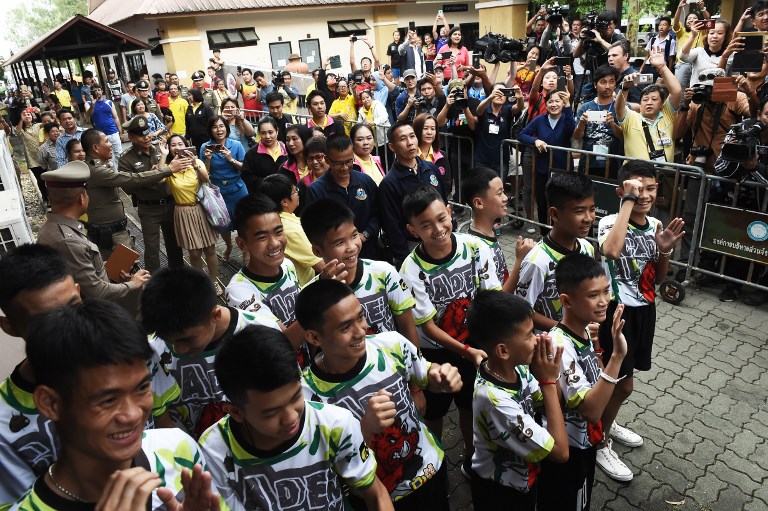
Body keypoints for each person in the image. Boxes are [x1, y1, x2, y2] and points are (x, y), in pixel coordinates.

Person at [17, 300, 218, 510]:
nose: (132, 414)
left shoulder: (178, 449)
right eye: (108, 400)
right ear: (50, 403)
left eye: (142, 388)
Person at [296, 280, 460, 507]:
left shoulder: (391, 345)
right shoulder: (307, 397)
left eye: (360, 317)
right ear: (314, 337)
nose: (360, 331)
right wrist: (364, 429)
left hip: (429, 469)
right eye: (345, 327)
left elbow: (425, 374)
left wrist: (441, 377)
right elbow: (326, 467)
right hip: (375, 498)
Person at [199, 325, 393, 510]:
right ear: (236, 412)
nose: (291, 417)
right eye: (271, 412)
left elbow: (375, 494)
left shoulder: (335, 424)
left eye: (295, 397)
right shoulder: (214, 451)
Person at [399, 185, 502, 477]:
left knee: (470, 404)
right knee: (435, 411)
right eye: (425, 225)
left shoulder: (474, 247)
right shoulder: (411, 269)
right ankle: (436, 461)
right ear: (412, 230)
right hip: (438, 352)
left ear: (450, 211)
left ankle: (472, 457)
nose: (438, 229)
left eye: (441, 218)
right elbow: (428, 326)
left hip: (476, 344)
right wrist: (466, 351)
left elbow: (491, 297)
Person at [594, 162, 685, 482]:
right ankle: (599, 442)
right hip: (615, 313)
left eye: (650, 188)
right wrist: (627, 203)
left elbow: (658, 279)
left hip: (644, 312)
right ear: (622, 193)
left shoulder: (657, 226)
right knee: (622, 384)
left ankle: (608, 421)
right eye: (636, 189)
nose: (644, 195)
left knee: (622, 382)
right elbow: (611, 250)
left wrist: (664, 252)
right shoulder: (609, 222)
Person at [533, 254, 628, 510]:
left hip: (584, 443)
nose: (603, 301)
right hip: (568, 449)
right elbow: (592, 410)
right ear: (566, 301)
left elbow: (596, 379)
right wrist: (617, 357)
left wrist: (598, 347)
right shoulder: (558, 345)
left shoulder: (585, 329)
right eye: (593, 295)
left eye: (606, 291)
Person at [142, 266, 280, 438]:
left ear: (215, 315)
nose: (179, 349)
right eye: (169, 340)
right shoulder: (151, 351)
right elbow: (160, 412)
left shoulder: (261, 335)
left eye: (187, 339)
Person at [465, 291, 568, 509]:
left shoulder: (516, 368)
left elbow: (551, 407)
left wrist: (547, 376)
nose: (539, 338)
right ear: (503, 350)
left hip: (523, 478)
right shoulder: (496, 402)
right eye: (530, 335)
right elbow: (561, 453)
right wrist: (549, 382)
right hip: (500, 492)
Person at [0, 245, 82, 508]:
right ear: (9, 327)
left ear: (78, 292)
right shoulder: (3, 427)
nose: (70, 327)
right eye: (46, 321)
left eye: (74, 307)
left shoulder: (126, 363)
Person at [301, 198, 419, 344]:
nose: (352, 246)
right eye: (339, 242)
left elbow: (407, 327)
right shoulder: (310, 296)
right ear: (317, 251)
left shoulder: (384, 273)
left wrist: (416, 364)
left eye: (354, 235)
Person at [514, 172, 595, 332]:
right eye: (579, 211)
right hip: (546, 348)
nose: (588, 218)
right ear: (555, 214)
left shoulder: (587, 248)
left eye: (592, 209)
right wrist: (567, 329)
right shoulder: (537, 261)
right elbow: (522, 310)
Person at [226, 194, 307, 353]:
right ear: (242, 244)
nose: (274, 243)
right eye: (262, 237)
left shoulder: (287, 265)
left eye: (278, 232)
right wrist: (317, 307)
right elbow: (282, 345)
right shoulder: (239, 291)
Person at [81, 127, 169, 261]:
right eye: (106, 141)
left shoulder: (100, 166)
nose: (111, 144)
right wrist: (168, 170)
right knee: (122, 270)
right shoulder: (95, 170)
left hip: (115, 231)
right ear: (96, 148)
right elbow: (132, 179)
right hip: (110, 234)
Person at [118, 116, 185, 273]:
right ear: (132, 138)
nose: (147, 137)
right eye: (142, 135)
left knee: (175, 245)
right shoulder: (126, 159)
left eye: (148, 133)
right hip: (149, 209)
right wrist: (153, 174)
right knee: (152, 249)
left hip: (170, 204)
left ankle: (179, 278)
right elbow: (128, 188)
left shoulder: (161, 150)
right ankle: (154, 283)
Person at [378, 122, 446, 266]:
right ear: (392, 147)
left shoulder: (431, 168)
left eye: (412, 136)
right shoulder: (389, 183)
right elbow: (392, 226)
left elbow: (443, 202)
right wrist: (404, 259)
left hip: (441, 237)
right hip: (413, 246)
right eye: (403, 139)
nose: (410, 143)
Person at [306, 135, 381, 259]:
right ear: (327, 160)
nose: (345, 168)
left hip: (369, 252)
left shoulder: (365, 182)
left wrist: (365, 235)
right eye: (338, 163)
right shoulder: (316, 191)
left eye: (349, 161)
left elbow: (378, 213)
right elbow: (315, 228)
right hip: (337, 257)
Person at [462, 167, 534, 292]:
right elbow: (498, 299)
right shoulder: (478, 248)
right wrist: (520, 260)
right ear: (479, 203)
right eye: (499, 193)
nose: (506, 198)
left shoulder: (487, 233)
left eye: (504, 192)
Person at [518, 91, 577, 231]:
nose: (554, 104)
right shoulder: (540, 119)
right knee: (542, 200)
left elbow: (570, 129)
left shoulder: (566, 118)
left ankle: (562, 230)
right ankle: (544, 231)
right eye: (550, 101)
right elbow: (521, 134)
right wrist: (535, 140)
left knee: (562, 201)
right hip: (543, 168)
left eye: (558, 101)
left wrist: (568, 105)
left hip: (562, 169)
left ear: (563, 103)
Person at [166, 134, 220, 284]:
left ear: (186, 145)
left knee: (210, 249)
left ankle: (214, 281)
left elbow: (206, 179)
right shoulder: (169, 168)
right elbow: (158, 179)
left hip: (202, 209)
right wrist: (163, 158)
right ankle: (201, 282)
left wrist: (195, 164)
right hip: (183, 212)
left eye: (180, 144)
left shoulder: (196, 162)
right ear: (169, 148)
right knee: (195, 253)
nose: (177, 148)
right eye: (173, 145)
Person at [616, 48, 683, 165]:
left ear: (662, 103)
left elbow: (676, 91)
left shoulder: (667, 114)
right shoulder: (631, 118)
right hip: (636, 178)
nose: (649, 102)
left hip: (664, 177)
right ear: (640, 103)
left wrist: (662, 67)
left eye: (654, 99)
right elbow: (619, 108)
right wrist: (625, 88)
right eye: (645, 99)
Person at [257, 173, 324, 286]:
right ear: (284, 202)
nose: (297, 193)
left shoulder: (271, 219)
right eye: (295, 191)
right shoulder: (291, 230)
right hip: (301, 287)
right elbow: (321, 265)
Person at [201, 115, 248, 261]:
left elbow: (245, 167)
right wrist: (208, 159)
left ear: (226, 128)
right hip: (218, 192)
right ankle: (228, 246)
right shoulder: (205, 147)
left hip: (238, 189)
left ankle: (246, 252)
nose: (219, 130)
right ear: (210, 130)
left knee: (243, 221)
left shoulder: (236, 145)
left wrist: (231, 159)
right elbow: (204, 173)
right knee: (223, 224)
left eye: (221, 126)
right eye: (214, 127)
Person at [573, 65, 623, 178]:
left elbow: (623, 136)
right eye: (603, 82)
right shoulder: (585, 107)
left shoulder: (620, 107)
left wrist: (612, 125)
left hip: (613, 161)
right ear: (595, 85)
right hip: (588, 161)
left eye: (611, 82)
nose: (607, 86)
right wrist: (581, 124)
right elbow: (577, 136)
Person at [475, 84, 521, 178]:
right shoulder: (485, 108)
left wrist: (520, 98)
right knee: (482, 188)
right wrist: (490, 97)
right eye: (497, 92)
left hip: (501, 160)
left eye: (503, 92)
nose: (500, 95)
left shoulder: (507, 110)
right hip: (482, 159)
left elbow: (518, 107)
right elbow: (478, 110)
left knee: (498, 189)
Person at [241, 116, 288, 192]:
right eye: (263, 133)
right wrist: (267, 185)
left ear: (277, 131)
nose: (267, 136)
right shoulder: (252, 154)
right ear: (259, 133)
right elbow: (247, 176)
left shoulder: (286, 150)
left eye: (270, 132)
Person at [680, 19, 731, 87]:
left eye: (720, 33)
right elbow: (683, 57)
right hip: (696, 95)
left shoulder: (731, 55)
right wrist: (693, 36)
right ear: (707, 35)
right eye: (711, 33)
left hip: (719, 95)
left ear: (726, 36)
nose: (715, 36)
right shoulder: (699, 51)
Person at [85, 84, 124, 170]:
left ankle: (120, 172)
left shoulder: (109, 102)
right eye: (94, 91)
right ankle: (112, 173)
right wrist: (93, 104)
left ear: (102, 91)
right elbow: (88, 116)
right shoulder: (88, 103)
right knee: (105, 156)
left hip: (113, 132)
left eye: (99, 90)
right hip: (100, 135)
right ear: (91, 93)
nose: (97, 92)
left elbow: (116, 118)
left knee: (118, 154)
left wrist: (120, 132)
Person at [673, 0, 709, 89]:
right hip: (683, 64)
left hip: (699, 64)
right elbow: (676, 23)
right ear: (685, 22)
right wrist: (679, 7)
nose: (691, 20)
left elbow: (708, 21)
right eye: (689, 18)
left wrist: (703, 8)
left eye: (694, 18)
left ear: (700, 21)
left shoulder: (703, 32)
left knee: (696, 89)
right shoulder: (682, 32)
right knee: (680, 89)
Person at [413, 113, 451, 193]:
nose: (429, 132)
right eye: (425, 128)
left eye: (433, 129)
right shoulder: (410, 156)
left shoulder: (442, 156)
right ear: (417, 130)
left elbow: (446, 184)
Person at [16, 108, 45, 201]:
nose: (27, 116)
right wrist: (21, 119)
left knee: (48, 177)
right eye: (24, 115)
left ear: (32, 116)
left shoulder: (38, 125)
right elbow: (17, 131)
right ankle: (46, 198)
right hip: (32, 159)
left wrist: (39, 112)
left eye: (28, 114)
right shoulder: (22, 131)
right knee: (40, 179)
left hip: (44, 157)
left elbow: (47, 123)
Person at [357, 89, 390, 156]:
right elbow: (359, 123)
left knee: (386, 160)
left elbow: (384, 116)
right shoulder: (361, 111)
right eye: (363, 99)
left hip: (383, 139)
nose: (366, 100)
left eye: (367, 97)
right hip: (371, 141)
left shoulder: (377, 104)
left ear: (371, 97)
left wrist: (374, 123)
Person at [38, 122, 61, 196]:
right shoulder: (43, 148)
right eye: (52, 131)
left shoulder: (65, 143)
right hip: (54, 177)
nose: (55, 133)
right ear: (47, 134)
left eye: (57, 131)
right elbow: (42, 163)